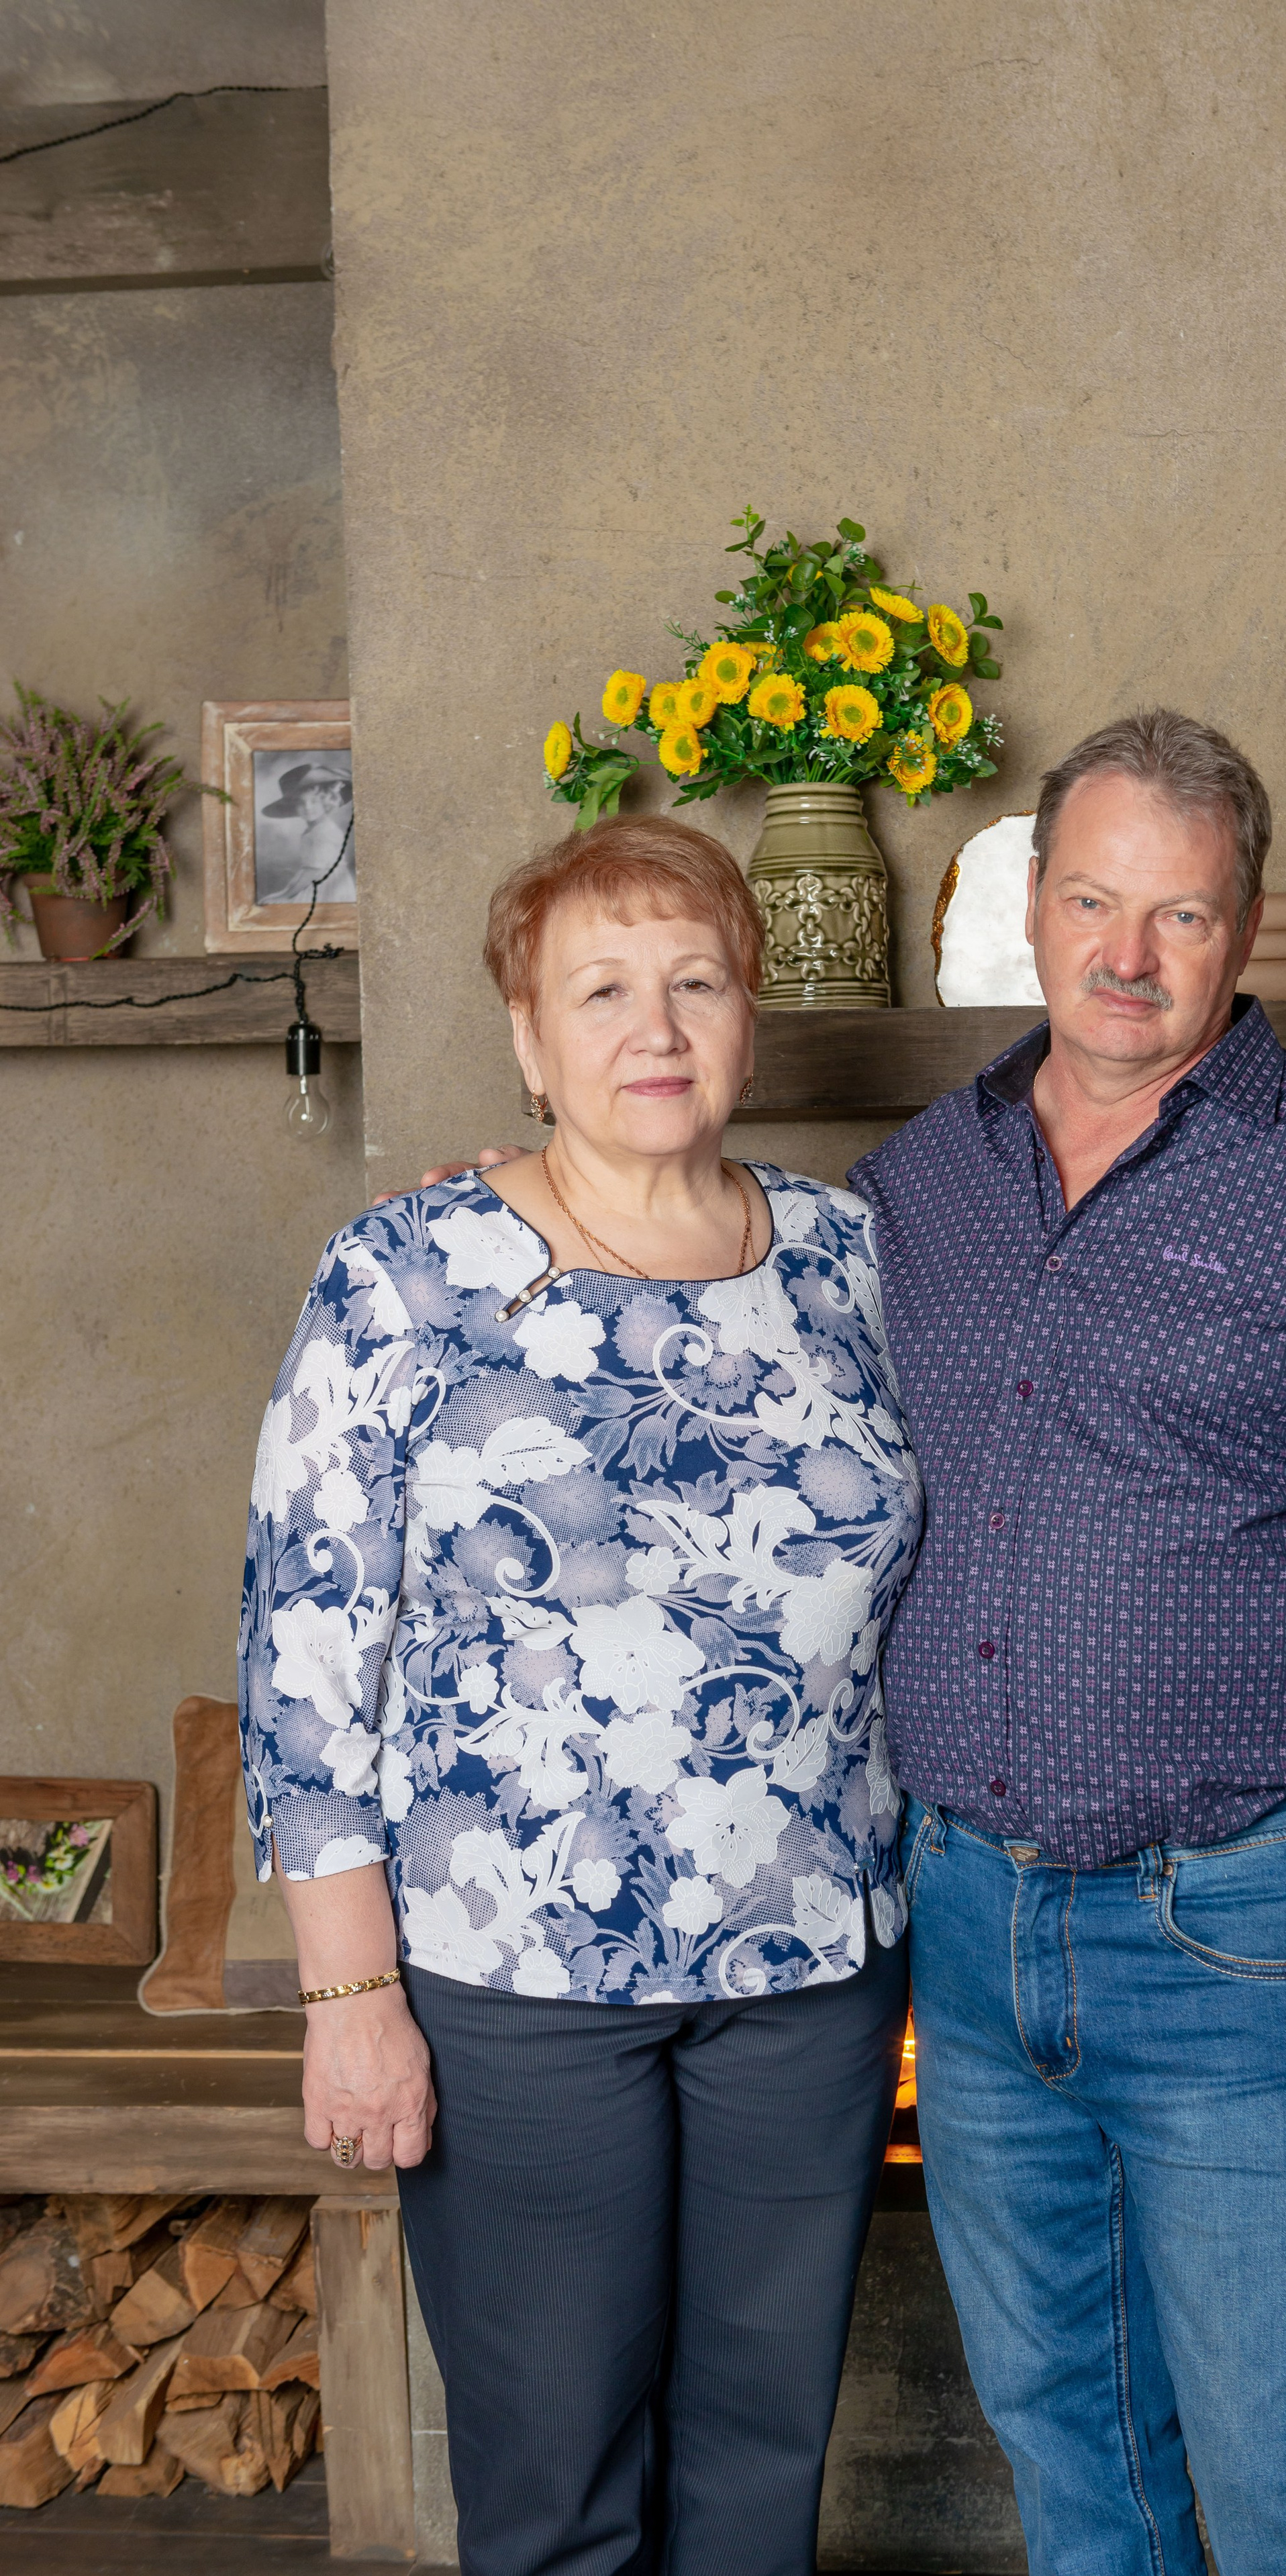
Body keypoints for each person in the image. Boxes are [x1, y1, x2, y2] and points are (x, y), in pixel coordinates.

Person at [425, 710, 1286, 2576]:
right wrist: (523, 1218)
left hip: (1243, 1923)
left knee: (1283, 2464)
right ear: (1029, 908)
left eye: (1180, 915)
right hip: (962, 1920)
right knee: (1067, 2442)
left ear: (1247, 928)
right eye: (1096, 898)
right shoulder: (905, 1191)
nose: (1130, 953)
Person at [239, 814, 922, 2576]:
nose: (656, 1025)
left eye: (696, 980)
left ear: (752, 1014)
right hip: (520, 1980)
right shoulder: (409, 1274)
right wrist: (351, 1989)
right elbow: (308, 1649)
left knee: (764, 2465)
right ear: (532, 1039)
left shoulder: (855, 1261)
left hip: (812, 1973)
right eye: (602, 988)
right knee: (554, 2484)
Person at [257, 759, 356, 904]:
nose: (308, 808)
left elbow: (313, 871)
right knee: (270, 901)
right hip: (314, 880)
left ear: (326, 802)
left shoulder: (324, 832)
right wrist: (284, 892)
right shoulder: (314, 829)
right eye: (301, 803)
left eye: (314, 802)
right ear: (293, 807)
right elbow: (306, 869)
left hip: (328, 886)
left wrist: (286, 896)